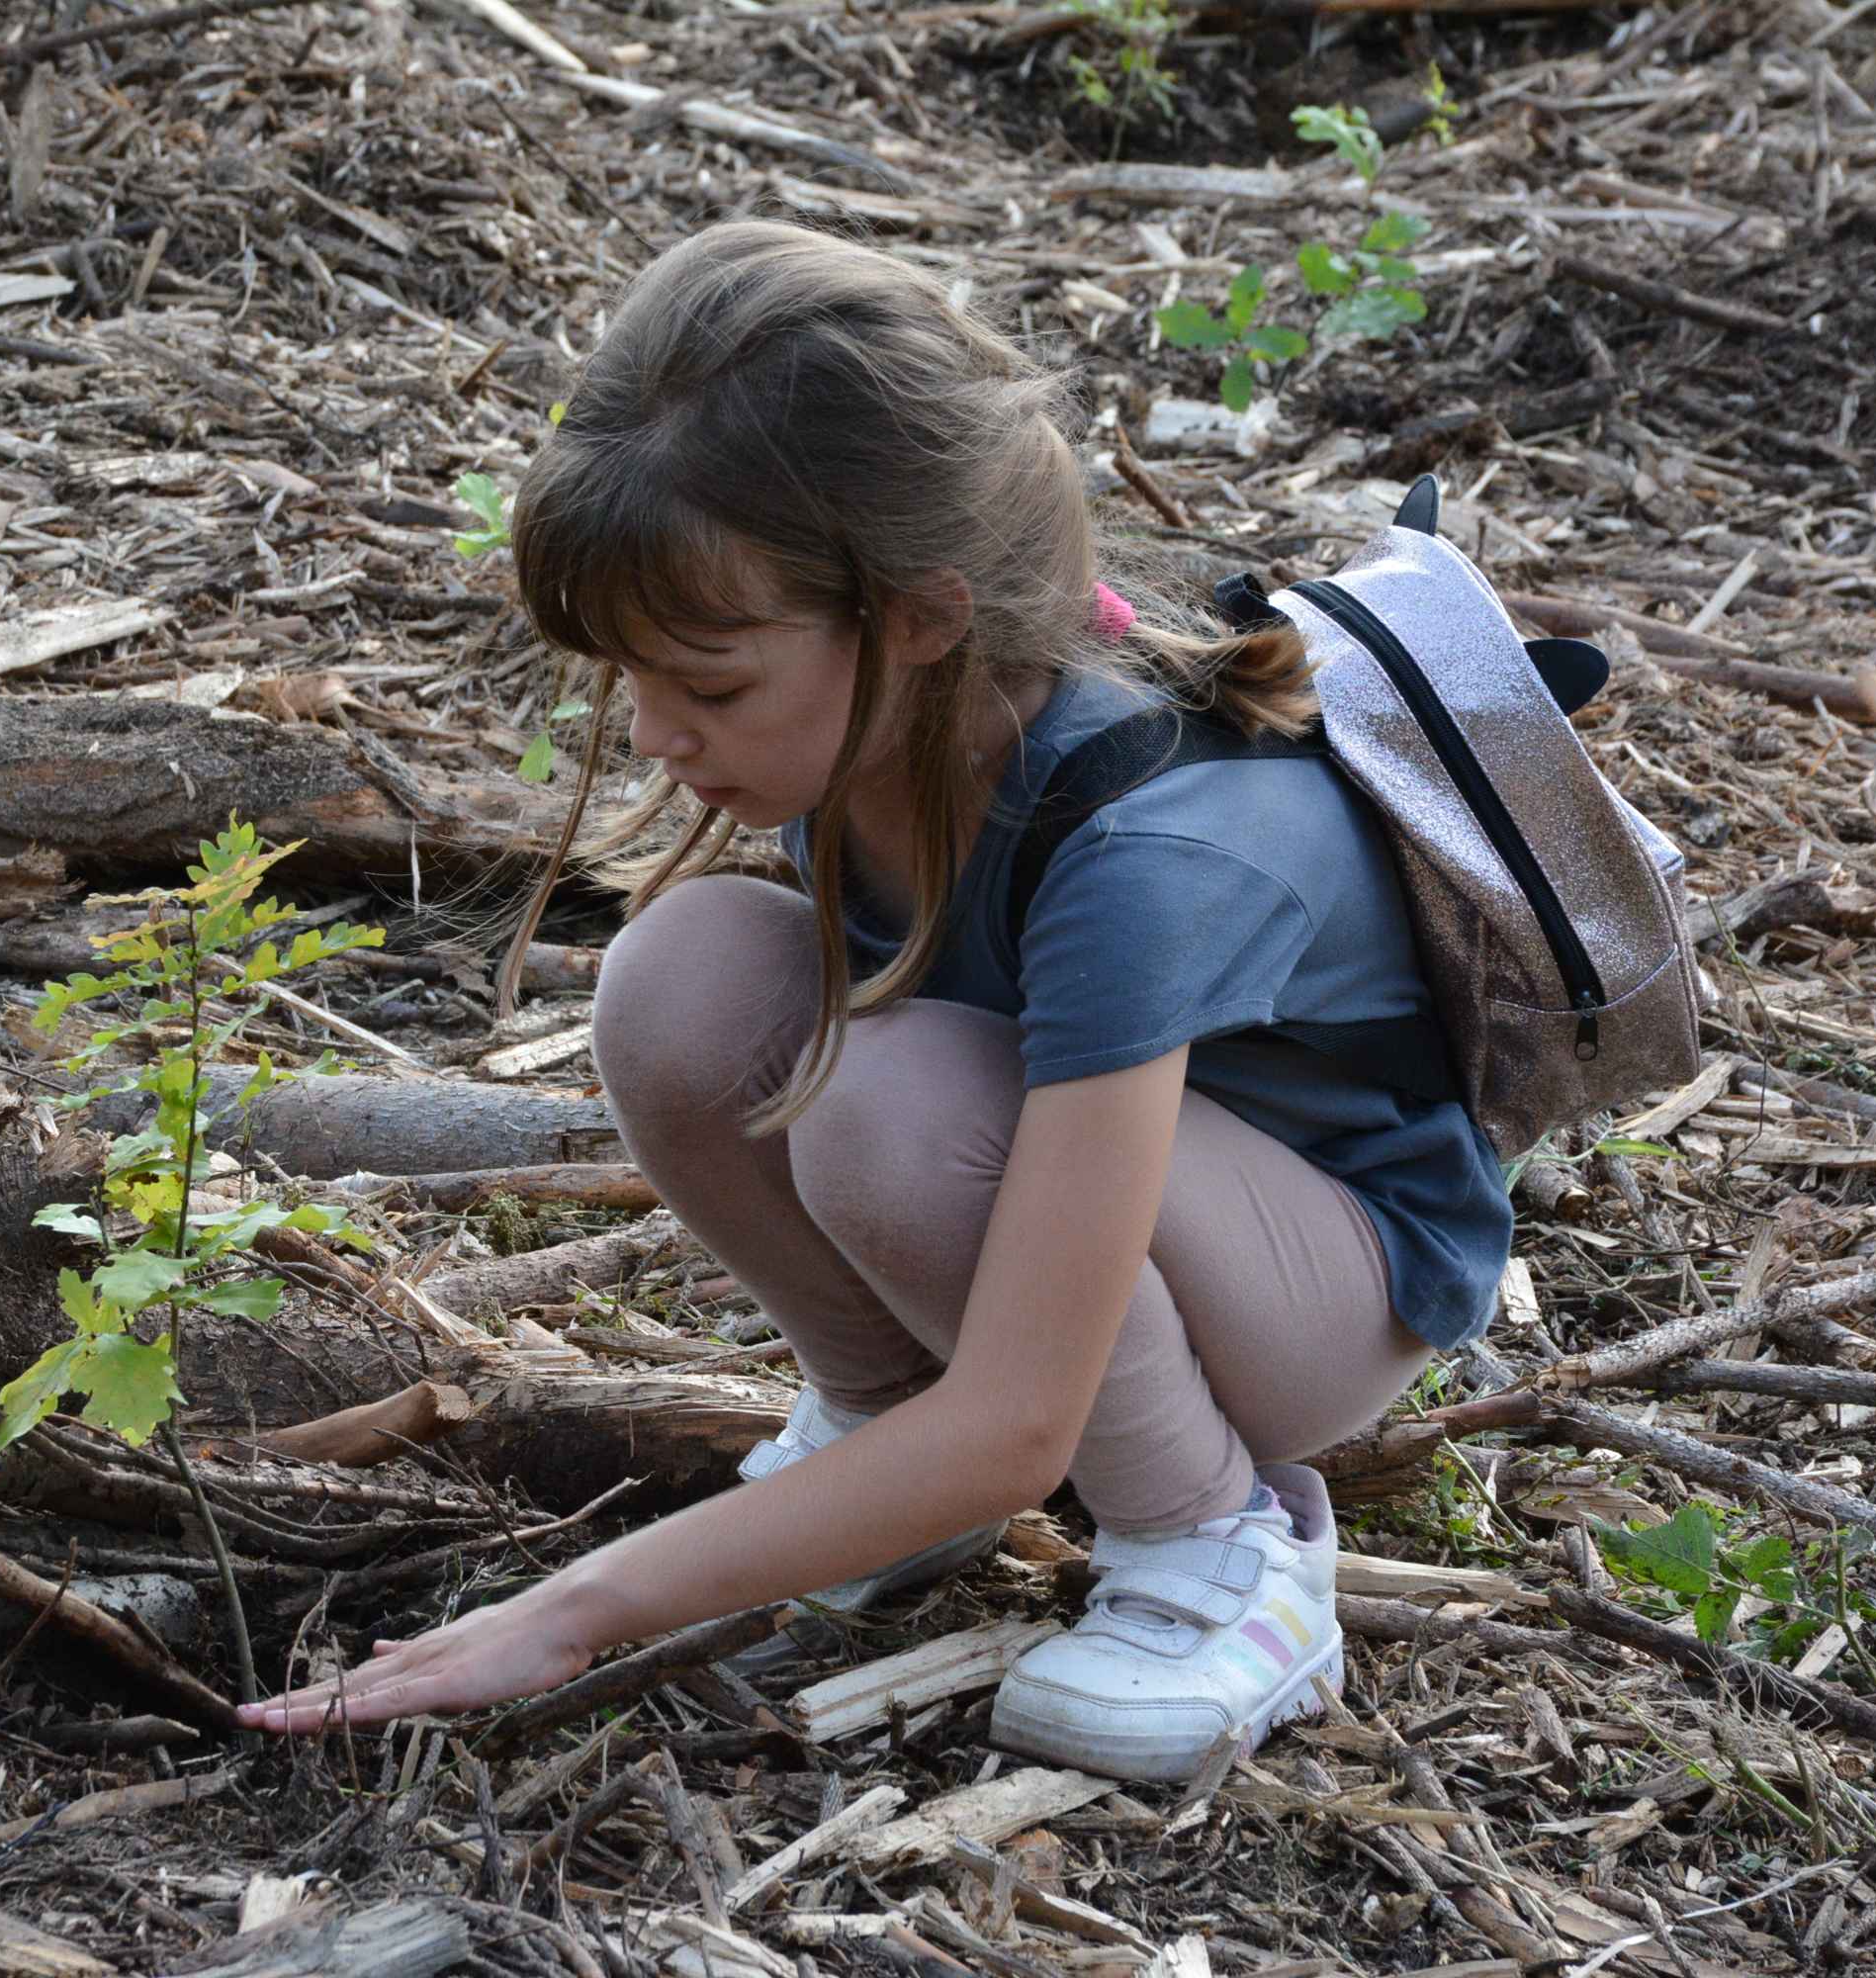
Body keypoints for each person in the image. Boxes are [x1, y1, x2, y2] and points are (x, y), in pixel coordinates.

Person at [234, 219, 1513, 1781]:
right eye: (634, 681)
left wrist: (578, 1611)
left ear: (921, 616)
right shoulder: (888, 721)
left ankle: (1211, 1541)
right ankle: (886, 1428)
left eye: (711, 686)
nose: (658, 738)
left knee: (886, 1106)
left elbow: (1021, 1420)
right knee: (680, 977)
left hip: (1323, 1275)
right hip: (1093, 1194)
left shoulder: (1148, 851)